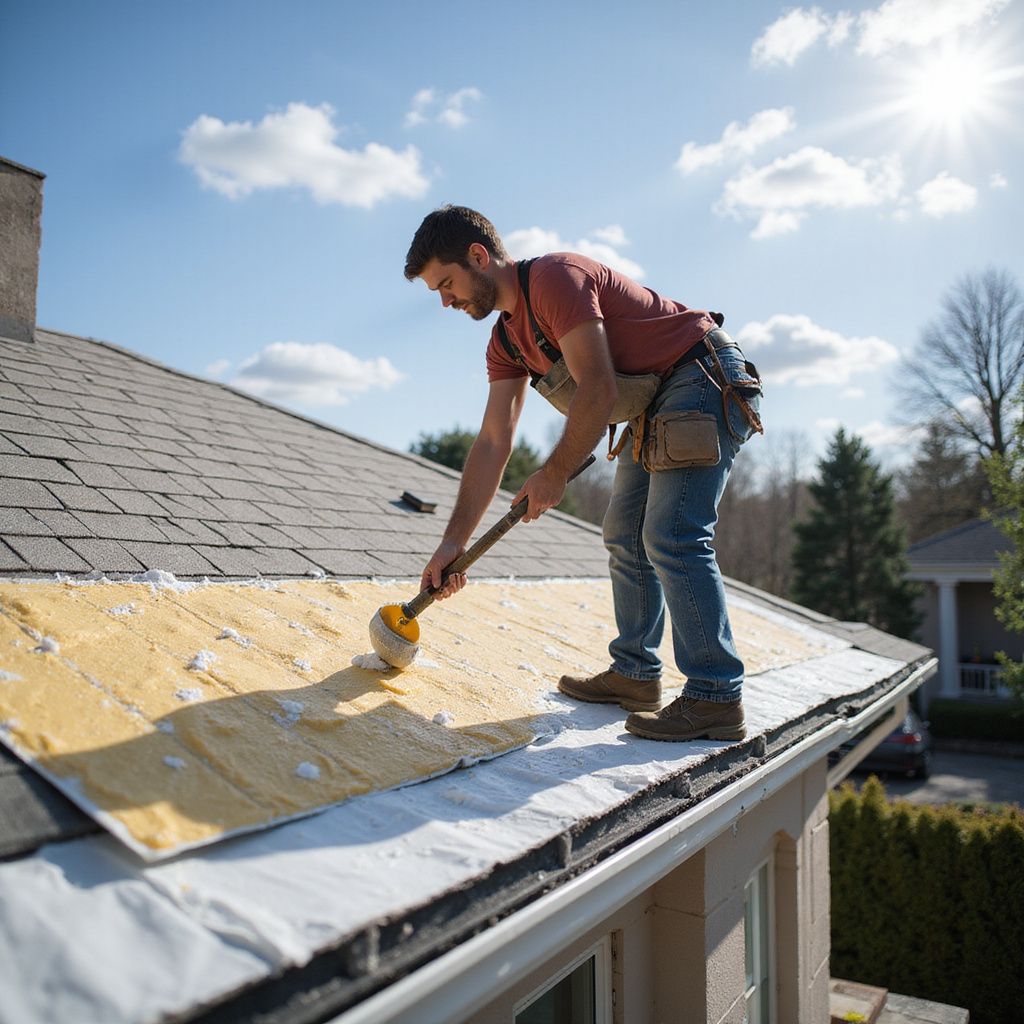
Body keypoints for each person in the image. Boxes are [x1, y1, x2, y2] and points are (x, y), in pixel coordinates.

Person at [404, 205, 761, 741]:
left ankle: (715, 697)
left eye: (447, 283)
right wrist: (453, 541)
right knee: (624, 534)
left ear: (479, 257)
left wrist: (552, 474)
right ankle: (636, 675)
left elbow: (598, 389)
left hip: (701, 376)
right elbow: (493, 440)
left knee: (674, 535)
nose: (446, 300)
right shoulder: (505, 341)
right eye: (437, 291)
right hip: (656, 401)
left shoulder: (554, 279)